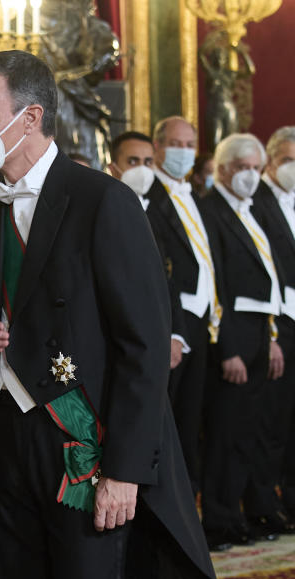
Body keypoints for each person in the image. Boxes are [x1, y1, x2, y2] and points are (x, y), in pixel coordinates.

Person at [0, 51, 216, 579]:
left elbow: (143, 348)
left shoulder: (102, 200)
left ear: (31, 116)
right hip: (6, 437)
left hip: (82, 442)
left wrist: (125, 470)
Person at [200, 133, 285, 549]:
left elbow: (267, 279)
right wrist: (228, 347)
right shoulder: (209, 210)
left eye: (256, 168)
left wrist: (270, 338)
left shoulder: (248, 212)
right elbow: (216, 282)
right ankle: (218, 519)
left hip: (258, 333)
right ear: (223, 168)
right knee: (225, 434)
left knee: (249, 432)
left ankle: (239, 513)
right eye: (243, 168)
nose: (250, 176)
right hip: (231, 336)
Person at [144, 116, 216, 492]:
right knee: (166, 421)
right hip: (173, 323)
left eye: (190, 145)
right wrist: (172, 328)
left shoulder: (197, 197)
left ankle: (188, 501)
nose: (184, 152)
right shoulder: (148, 196)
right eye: (176, 143)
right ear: (157, 147)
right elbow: (159, 270)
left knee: (192, 420)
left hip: (202, 320)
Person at [253, 126, 295, 531]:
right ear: (270, 160)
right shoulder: (257, 201)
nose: (292, 168)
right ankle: (265, 501)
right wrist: (274, 335)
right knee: (271, 423)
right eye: (286, 160)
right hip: (275, 325)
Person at [109, 131, 155, 208]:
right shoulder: (105, 208)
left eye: (148, 162)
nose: (142, 169)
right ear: (113, 169)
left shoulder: (156, 209)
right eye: (132, 162)